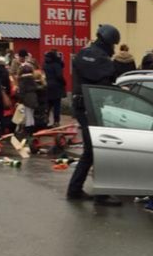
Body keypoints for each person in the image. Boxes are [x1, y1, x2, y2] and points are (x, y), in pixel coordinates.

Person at [67, 24, 122, 207]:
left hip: (80, 107)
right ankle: (101, 194)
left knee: (91, 151)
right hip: (93, 109)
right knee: (97, 150)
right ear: (108, 42)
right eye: (113, 44)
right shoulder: (103, 60)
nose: (114, 48)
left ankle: (75, 190)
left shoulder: (83, 54)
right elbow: (105, 86)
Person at [43, 50, 66, 127]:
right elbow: (59, 76)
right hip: (56, 87)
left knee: (48, 105)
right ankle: (56, 122)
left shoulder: (45, 65)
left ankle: (45, 119)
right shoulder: (56, 64)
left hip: (47, 86)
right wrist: (63, 82)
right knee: (56, 105)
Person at [17, 63, 39, 135]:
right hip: (33, 98)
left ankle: (28, 131)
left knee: (27, 115)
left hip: (26, 99)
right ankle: (32, 129)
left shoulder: (22, 80)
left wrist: (20, 100)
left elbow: (22, 91)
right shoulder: (32, 79)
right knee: (31, 114)